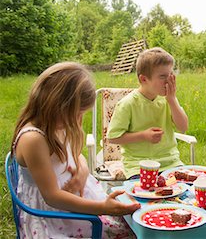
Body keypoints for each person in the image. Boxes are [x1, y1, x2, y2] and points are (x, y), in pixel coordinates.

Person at [10, 62, 140, 238]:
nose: (78, 120)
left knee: (135, 224)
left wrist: (82, 173)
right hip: (55, 216)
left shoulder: (58, 124)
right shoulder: (33, 139)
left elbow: (77, 156)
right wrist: (103, 208)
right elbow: (52, 197)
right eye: (76, 113)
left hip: (77, 201)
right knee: (131, 232)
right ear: (56, 105)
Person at [107, 47, 188, 178]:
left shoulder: (168, 99)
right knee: (148, 195)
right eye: (163, 76)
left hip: (171, 163)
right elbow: (113, 137)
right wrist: (143, 135)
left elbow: (183, 127)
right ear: (144, 79)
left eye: (171, 74)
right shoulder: (128, 104)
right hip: (139, 166)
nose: (169, 81)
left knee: (185, 193)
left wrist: (172, 100)